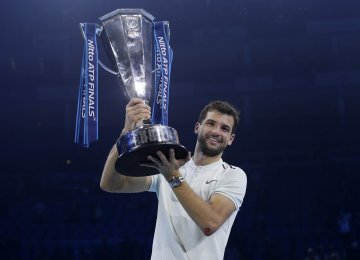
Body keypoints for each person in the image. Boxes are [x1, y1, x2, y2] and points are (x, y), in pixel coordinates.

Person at [100, 98, 247, 260]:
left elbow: (210, 223)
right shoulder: (168, 166)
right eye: (211, 123)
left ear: (231, 139)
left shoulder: (233, 175)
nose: (217, 132)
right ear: (197, 127)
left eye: (224, 129)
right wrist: (126, 133)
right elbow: (111, 184)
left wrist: (172, 176)